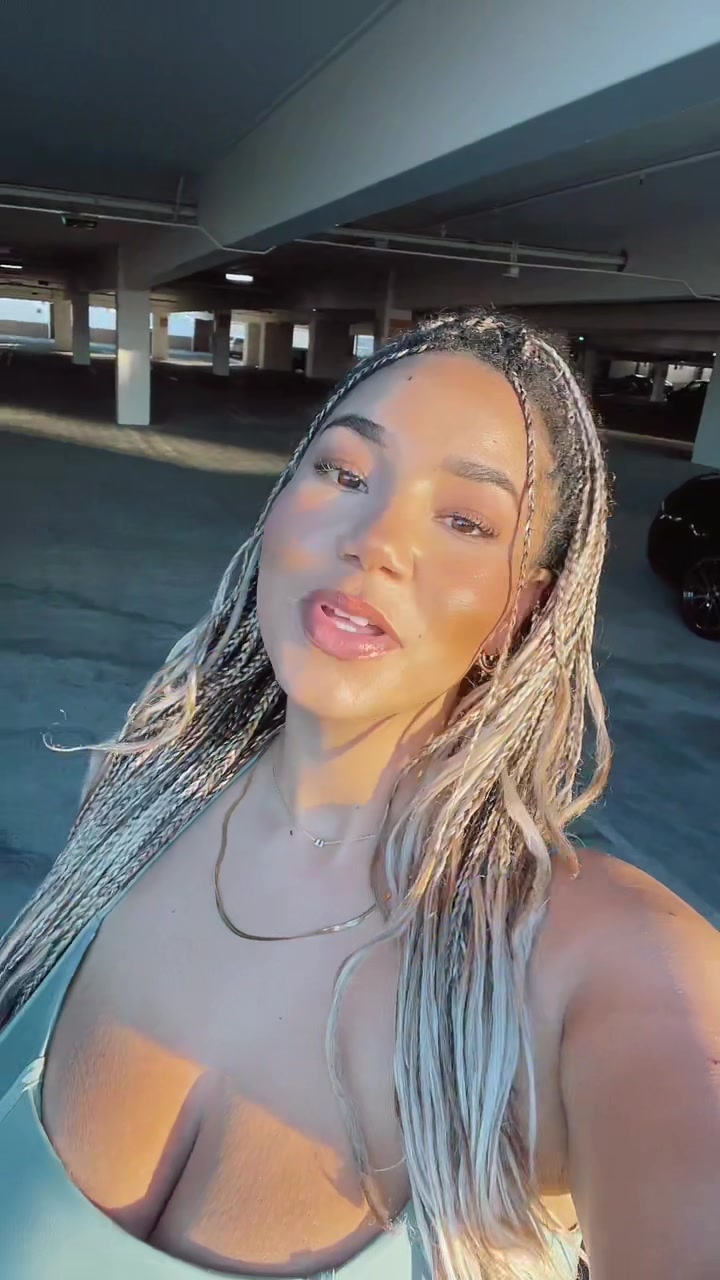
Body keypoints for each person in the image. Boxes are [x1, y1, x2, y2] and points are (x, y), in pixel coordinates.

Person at [0, 310, 717, 1280]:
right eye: (343, 473)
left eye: (464, 520)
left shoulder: (599, 961)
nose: (374, 540)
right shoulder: (131, 796)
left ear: (523, 607)